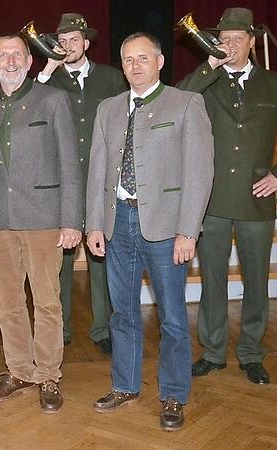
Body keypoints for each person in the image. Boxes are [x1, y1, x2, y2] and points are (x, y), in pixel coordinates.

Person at [86, 33, 213, 431]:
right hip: (118, 223)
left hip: (165, 227)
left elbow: (199, 172)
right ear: (121, 65)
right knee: (121, 312)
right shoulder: (107, 109)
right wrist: (94, 223)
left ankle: (173, 395)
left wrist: (188, 230)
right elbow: (97, 171)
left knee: (173, 317)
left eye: (143, 58)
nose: (135, 65)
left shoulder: (187, 103)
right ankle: (125, 385)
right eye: (128, 59)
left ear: (160, 62)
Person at [0, 34, 82, 414]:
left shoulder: (52, 100)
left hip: (45, 219)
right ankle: (19, 370)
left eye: (17, 54)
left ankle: (48, 374)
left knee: (47, 302)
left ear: (30, 61)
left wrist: (71, 220)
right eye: (3, 55)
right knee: (8, 303)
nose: (11, 61)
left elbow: (71, 163)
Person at [177, 7, 277, 386]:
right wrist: (210, 65)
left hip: (257, 200)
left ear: (253, 42)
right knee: (212, 280)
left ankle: (251, 353)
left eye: (238, 39)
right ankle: (213, 352)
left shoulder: (272, 83)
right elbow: (177, 99)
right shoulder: (207, 82)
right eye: (224, 39)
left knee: (256, 283)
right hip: (213, 200)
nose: (231, 45)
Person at [36, 13, 128, 352]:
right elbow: (27, 105)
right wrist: (47, 69)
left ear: (86, 43)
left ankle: (103, 329)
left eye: (75, 39)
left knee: (101, 258)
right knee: (59, 260)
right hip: (60, 183)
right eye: (62, 40)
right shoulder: (48, 81)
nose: (68, 46)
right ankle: (59, 328)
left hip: (102, 181)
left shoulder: (111, 78)